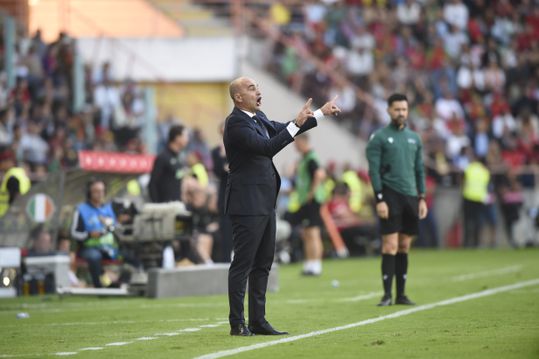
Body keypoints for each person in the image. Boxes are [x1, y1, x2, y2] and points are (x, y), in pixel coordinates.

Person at [224, 76, 340, 336]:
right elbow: (267, 148)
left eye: (258, 87)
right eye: (252, 88)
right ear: (238, 97)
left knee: (263, 262)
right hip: (246, 203)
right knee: (242, 264)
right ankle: (236, 323)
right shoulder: (235, 124)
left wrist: (320, 113)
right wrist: (294, 126)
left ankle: (258, 321)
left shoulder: (259, 118)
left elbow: (286, 128)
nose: (258, 91)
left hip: (265, 202)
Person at [365, 93, 428, 307]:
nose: (401, 113)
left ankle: (401, 294)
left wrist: (422, 197)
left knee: (403, 246)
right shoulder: (379, 138)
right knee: (389, 245)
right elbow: (373, 171)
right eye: (397, 109)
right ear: (388, 111)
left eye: (404, 109)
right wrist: (379, 199)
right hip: (390, 196)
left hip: (411, 197)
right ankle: (386, 295)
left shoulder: (415, 138)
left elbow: (419, 169)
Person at [70, 178, 120, 288]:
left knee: (129, 255)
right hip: (88, 247)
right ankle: (100, 286)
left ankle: (117, 283)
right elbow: (74, 233)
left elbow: (115, 227)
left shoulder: (108, 209)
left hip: (109, 247)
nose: (100, 194)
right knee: (94, 257)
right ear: (89, 193)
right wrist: (89, 235)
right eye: (96, 191)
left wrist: (113, 227)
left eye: (102, 191)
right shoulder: (81, 209)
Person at [294, 133, 326, 276]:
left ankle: (316, 265)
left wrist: (311, 194)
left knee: (313, 232)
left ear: (303, 141)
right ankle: (309, 264)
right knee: (306, 233)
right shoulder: (304, 159)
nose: (294, 145)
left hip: (311, 201)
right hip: (305, 201)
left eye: (296, 142)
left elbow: (319, 174)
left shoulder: (311, 158)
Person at [148, 124, 190, 203]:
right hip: (165, 207)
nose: (187, 140)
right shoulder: (163, 157)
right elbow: (152, 183)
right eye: (185, 136)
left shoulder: (180, 159)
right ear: (177, 138)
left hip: (177, 205)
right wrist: (156, 204)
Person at [211, 121, 233, 262]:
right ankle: (226, 260)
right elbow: (219, 171)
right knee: (225, 229)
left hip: (239, 192)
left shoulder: (239, 146)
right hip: (224, 193)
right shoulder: (216, 151)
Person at [0, 150, 31, 217]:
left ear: (9, 162)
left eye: (1, 162)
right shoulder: (21, 173)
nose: (0, 165)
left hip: (8, 217)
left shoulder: (12, 177)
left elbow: (15, 196)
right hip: (21, 214)